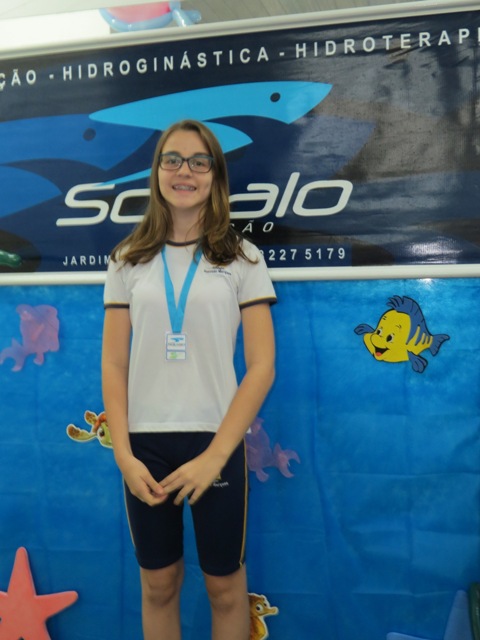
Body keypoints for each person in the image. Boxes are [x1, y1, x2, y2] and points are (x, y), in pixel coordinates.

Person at [101, 119, 276, 640]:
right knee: (158, 585)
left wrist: (216, 456)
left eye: (199, 162)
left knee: (225, 589)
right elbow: (113, 363)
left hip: (214, 442)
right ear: (156, 171)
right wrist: (123, 454)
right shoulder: (127, 259)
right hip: (145, 448)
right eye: (172, 159)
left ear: (215, 175)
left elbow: (262, 366)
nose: (185, 171)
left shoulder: (243, 258)